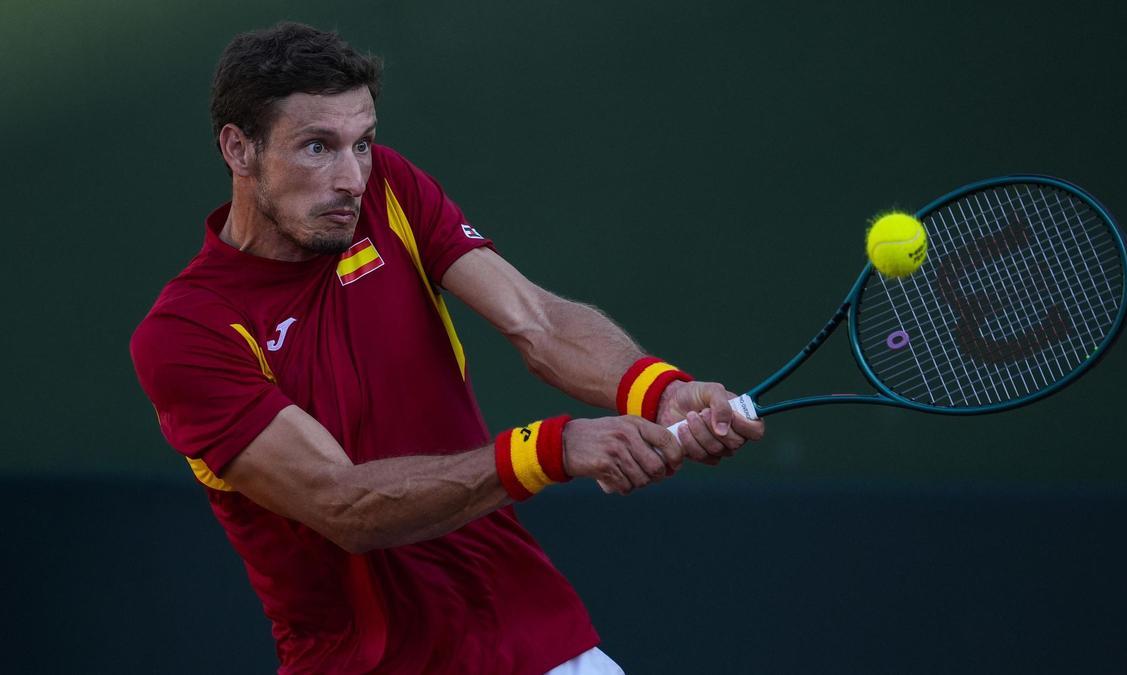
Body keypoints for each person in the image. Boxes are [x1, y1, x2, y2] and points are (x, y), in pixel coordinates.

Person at [130, 21, 764, 674]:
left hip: (532, 639)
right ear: (238, 148)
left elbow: (537, 321)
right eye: (318, 146)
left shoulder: (386, 192)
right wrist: (551, 449)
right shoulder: (188, 334)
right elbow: (341, 502)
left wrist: (659, 391)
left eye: (364, 143)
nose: (351, 177)